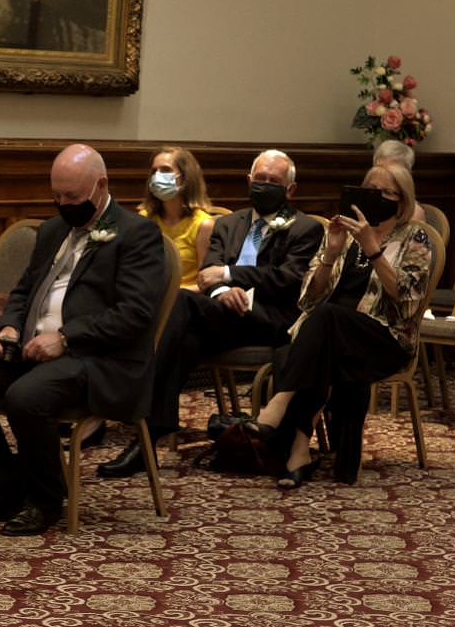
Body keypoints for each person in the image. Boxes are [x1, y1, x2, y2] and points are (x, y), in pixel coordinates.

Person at [0, 144, 169, 536]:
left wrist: (65, 338)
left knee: (26, 397)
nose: (63, 205)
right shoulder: (52, 230)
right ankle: (7, 486)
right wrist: (9, 327)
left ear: (100, 186)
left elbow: (134, 314)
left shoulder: (137, 234)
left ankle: (45, 500)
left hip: (99, 357)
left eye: (72, 197)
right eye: (56, 196)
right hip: (31, 348)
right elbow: (23, 292)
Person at [101, 149, 324, 477]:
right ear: (248, 181)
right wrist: (222, 291)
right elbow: (207, 274)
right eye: (259, 178)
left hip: (271, 320)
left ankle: (142, 419)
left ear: (289, 190)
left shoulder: (305, 228)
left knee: (182, 305)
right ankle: (148, 436)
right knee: (185, 336)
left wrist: (231, 275)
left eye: (273, 181)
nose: (264, 185)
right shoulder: (228, 224)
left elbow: (288, 279)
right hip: (227, 316)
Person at [251, 161, 433, 488]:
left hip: (384, 337)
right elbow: (308, 299)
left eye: (386, 193)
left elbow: (408, 302)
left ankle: (280, 403)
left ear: (401, 201)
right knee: (299, 344)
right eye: (370, 190)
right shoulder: (343, 234)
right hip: (330, 334)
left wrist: (374, 250)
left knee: (324, 320)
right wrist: (331, 255)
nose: (376, 197)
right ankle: (298, 450)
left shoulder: (414, 237)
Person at [138, 146, 217, 288]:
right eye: (154, 171)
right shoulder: (145, 218)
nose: (157, 176)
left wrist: (170, 296)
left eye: (165, 170)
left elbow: (205, 283)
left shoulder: (203, 225)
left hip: (185, 296)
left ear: (185, 177)